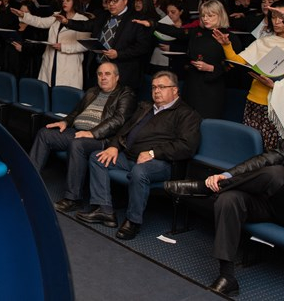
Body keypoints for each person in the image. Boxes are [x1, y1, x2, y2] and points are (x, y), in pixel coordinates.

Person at [164, 116, 284, 297]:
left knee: (277, 174)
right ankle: (226, 277)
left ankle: (204, 189)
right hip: (276, 204)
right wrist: (227, 175)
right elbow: (264, 160)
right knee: (229, 199)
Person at [76, 71, 201, 240]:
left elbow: (187, 146)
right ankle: (104, 211)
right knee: (97, 157)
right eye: (154, 87)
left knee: (139, 172)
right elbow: (124, 129)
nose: (156, 91)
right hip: (130, 156)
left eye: (162, 87)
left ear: (175, 90)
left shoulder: (187, 114)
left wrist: (153, 153)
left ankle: (133, 221)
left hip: (162, 163)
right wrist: (114, 147)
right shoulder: (146, 107)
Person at [213, 0, 284, 150]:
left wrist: (275, 86)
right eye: (273, 17)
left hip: (280, 108)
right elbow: (238, 62)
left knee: (273, 152)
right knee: (251, 149)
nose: (276, 22)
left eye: (282, 17)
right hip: (254, 102)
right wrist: (226, 46)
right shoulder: (263, 42)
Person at [28, 62, 136, 212]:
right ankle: (29, 178)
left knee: (77, 144)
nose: (103, 77)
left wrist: (93, 133)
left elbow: (118, 120)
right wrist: (66, 122)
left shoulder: (126, 94)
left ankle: (73, 199)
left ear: (117, 77)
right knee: (45, 133)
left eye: (107, 74)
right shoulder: (92, 91)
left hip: (103, 139)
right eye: (100, 74)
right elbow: (76, 112)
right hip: (78, 132)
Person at [135, 0, 240, 119]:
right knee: (185, 119)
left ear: (220, 15)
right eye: (203, 15)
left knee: (207, 122)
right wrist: (152, 24)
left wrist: (212, 68)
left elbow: (235, 67)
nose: (205, 19)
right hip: (192, 84)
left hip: (212, 89)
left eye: (210, 16)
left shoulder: (230, 38)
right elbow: (175, 31)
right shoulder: (196, 32)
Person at [62, 0, 152, 90]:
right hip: (99, 69)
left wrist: (118, 54)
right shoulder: (103, 15)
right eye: (108, 1)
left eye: (115, 0)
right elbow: (86, 25)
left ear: (125, 0)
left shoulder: (137, 18)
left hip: (122, 73)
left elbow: (142, 47)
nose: (111, 4)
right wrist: (67, 22)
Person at [12, 0, 90, 88]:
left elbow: (84, 45)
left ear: (75, 2)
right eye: (63, 0)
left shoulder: (83, 20)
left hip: (69, 65)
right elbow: (40, 22)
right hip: (50, 62)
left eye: (68, 0)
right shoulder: (57, 16)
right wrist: (23, 15)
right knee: (47, 91)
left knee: (63, 93)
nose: (64, 3)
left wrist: (63, 47)